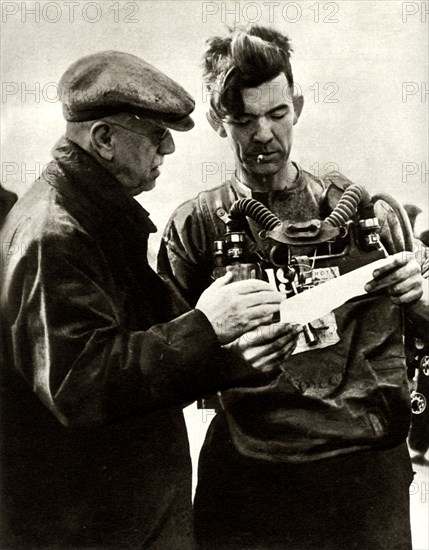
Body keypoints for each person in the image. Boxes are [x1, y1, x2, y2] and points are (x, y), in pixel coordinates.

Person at [0, 51, 287, 549]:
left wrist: (233, 360)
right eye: (156, 134)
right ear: (104, 139)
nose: (169, 148)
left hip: (126, 515)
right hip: (96, 525)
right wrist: (205, 327)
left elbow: (138, 345)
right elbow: (81, 384)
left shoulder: (97, 215)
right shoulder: (56, 233)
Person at [157, 26, 426, 549]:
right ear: (218, 121)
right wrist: (222, 344)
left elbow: (420, 334)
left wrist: (416, 295)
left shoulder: (361, 211)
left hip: (365, 479)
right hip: (255, 481)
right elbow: (167, 365)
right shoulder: (198, 226)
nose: (263, 134)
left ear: (297, 106)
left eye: (277, 114)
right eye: (244, 119)